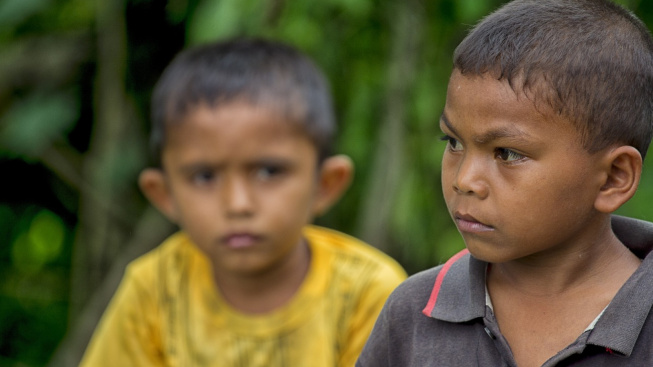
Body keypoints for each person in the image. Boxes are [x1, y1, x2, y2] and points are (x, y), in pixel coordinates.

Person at [357, 0, 653, 366]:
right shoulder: (413, 312)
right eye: (453, 142)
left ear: (613, 178)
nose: (464, 180)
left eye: (507, 153)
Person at [79, 38, 407, 367]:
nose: (238, 204)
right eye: (204, 176)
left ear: (325, 184)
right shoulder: (155, 291)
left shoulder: (368, 293)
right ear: (164, 194)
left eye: (269, 171)